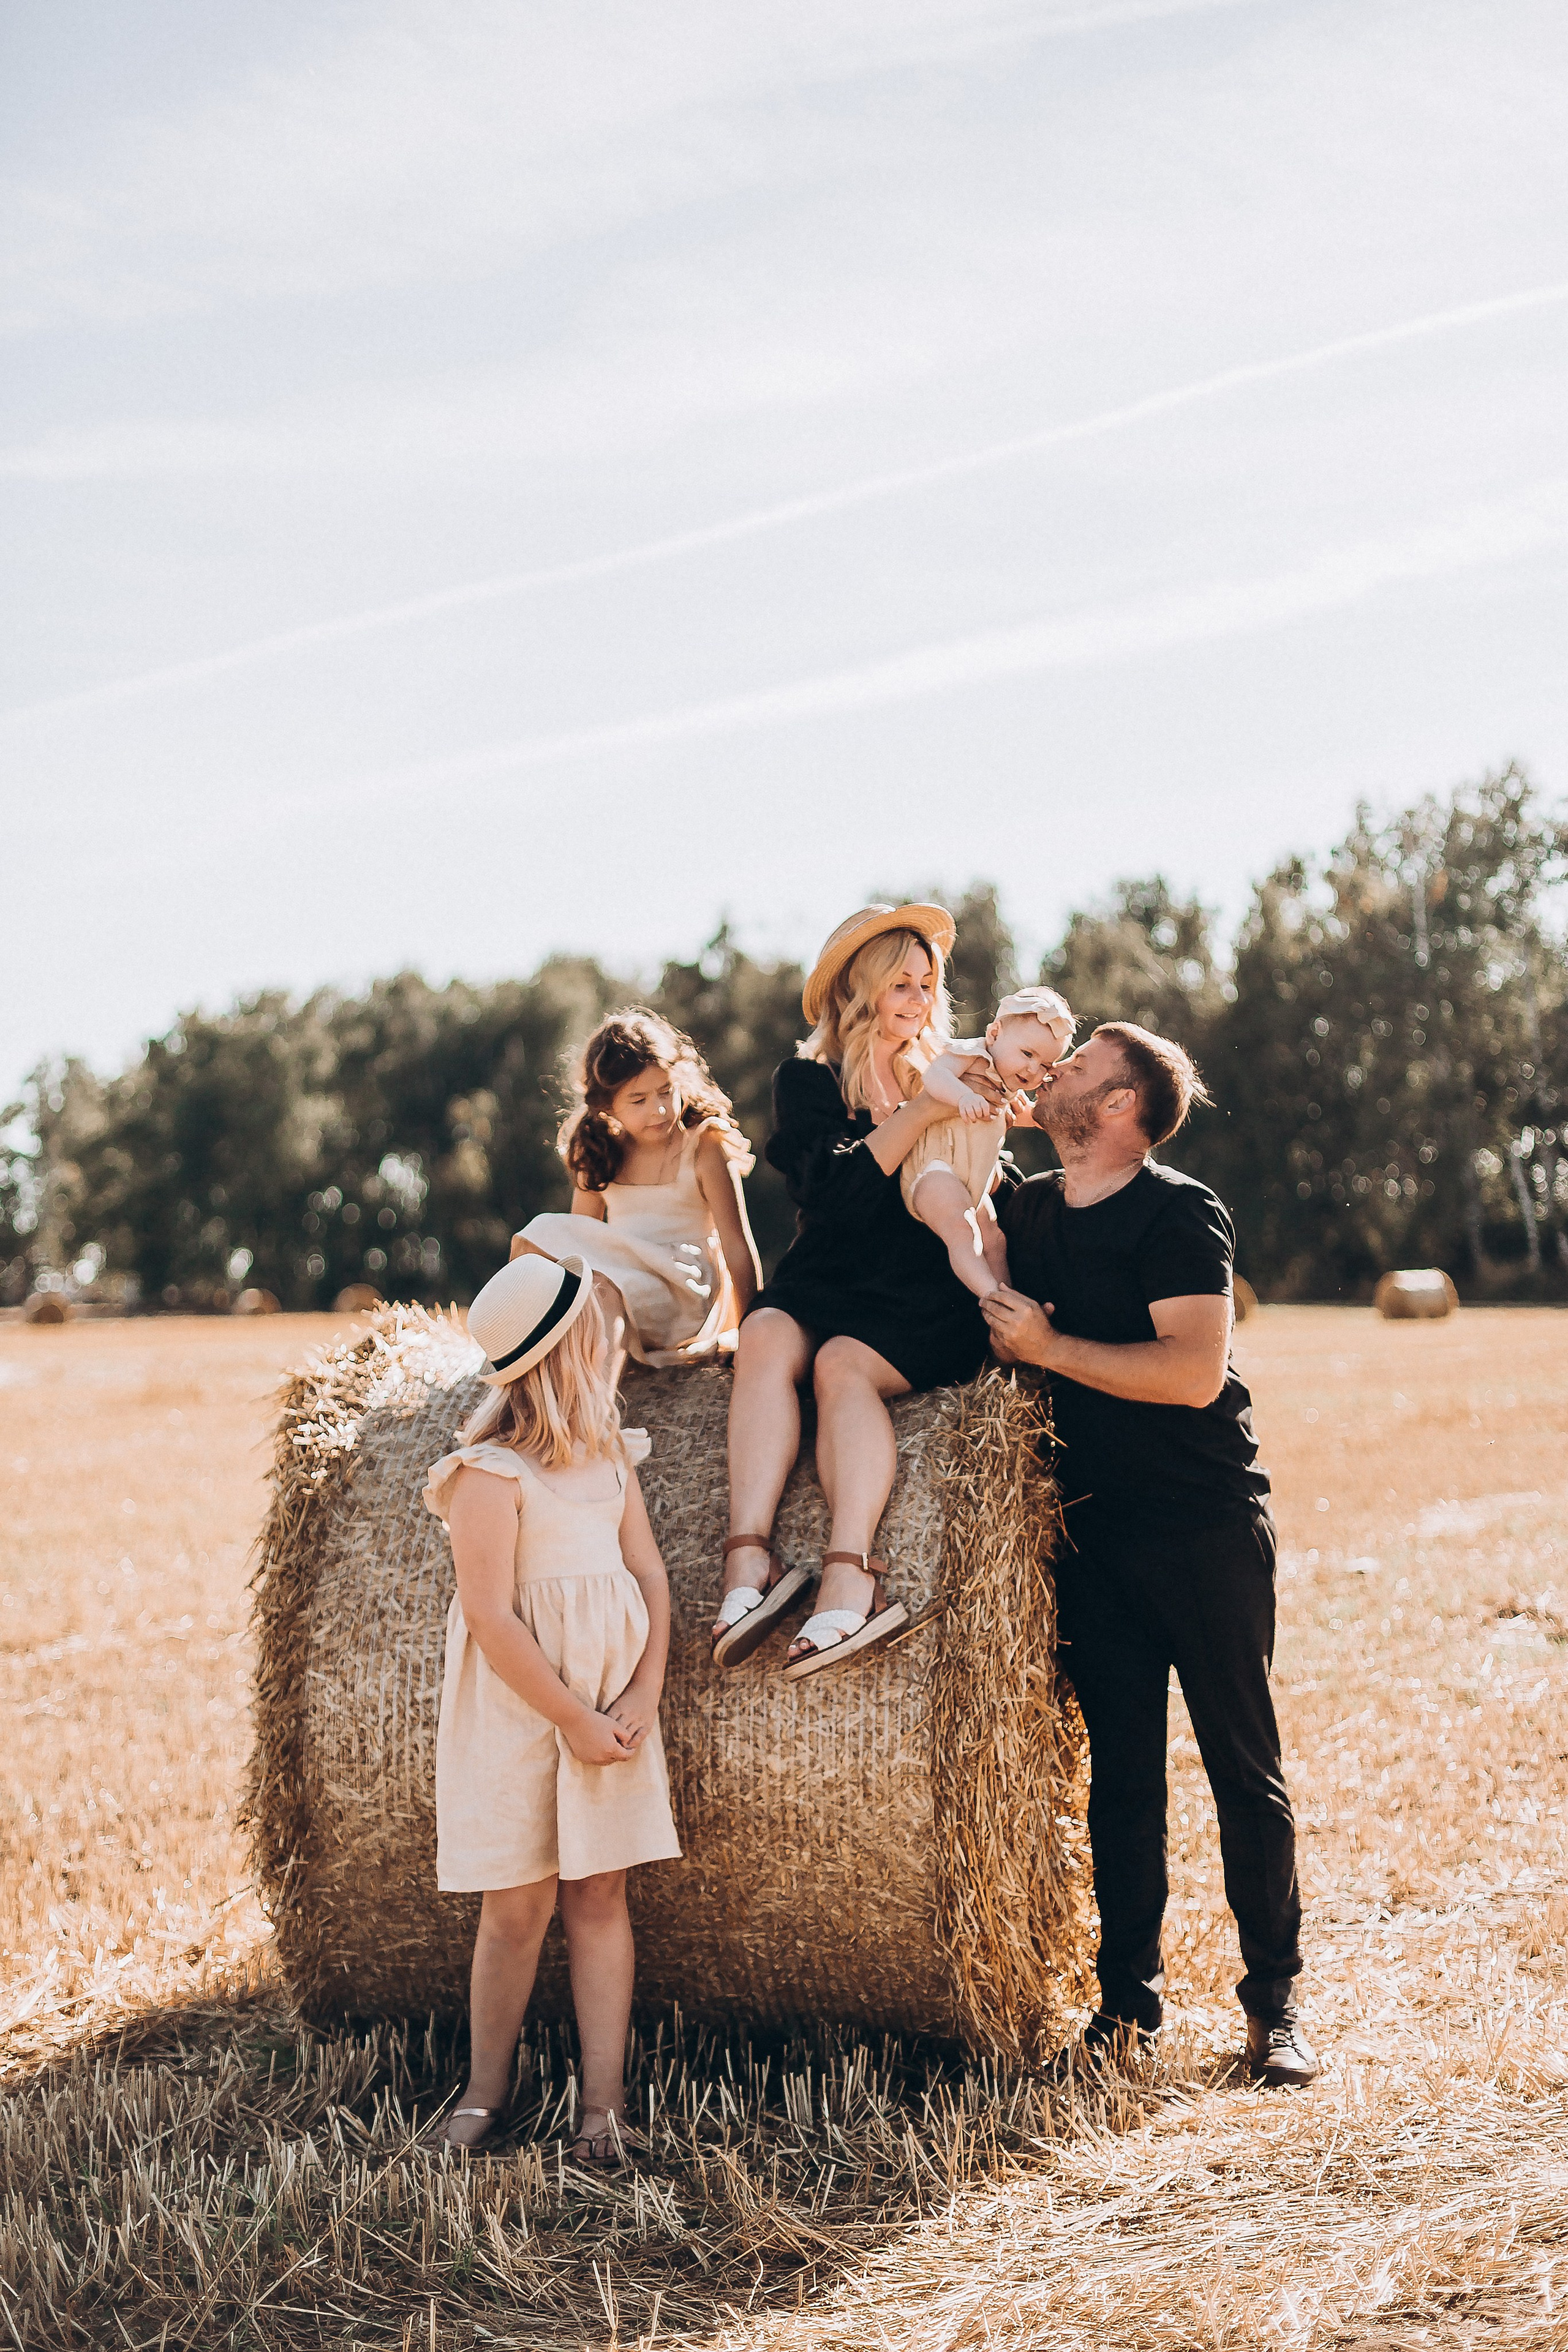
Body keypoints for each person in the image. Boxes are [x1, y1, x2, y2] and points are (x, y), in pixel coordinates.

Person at [982, 1022, 1317, 2089]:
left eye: (1079, 1065)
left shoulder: (1179, 1212)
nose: (1057, 1070)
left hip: (1206, 1526)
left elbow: (1191, 1373)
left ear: (1120, 1105)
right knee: (1121, 1782)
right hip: (1093, 1535)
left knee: (1241, 1771)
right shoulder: (1029, 1210)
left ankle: (1275, 2008)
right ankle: (1125, 2013)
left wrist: (1049, 1349)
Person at [421, 1251, 681, 2160]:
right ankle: (483, 2097)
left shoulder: (611, 1460)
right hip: (522, 1716)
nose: (610, 1340)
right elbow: (490, 1617)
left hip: (611, 1711)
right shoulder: (488, 1474)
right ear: (568, 1352)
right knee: (517, 1907)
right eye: (595, 1329)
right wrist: (570, 1716)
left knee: (600, 1895)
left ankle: (602, 2109)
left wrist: (643, 1691)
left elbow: (650, 1576)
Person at [714, 903, 995, 1678]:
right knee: (764, 1334)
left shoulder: (955, 1073)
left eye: (927, 984)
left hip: (919, 1289)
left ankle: (850, 1573)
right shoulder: (806, 1082)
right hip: (829, 1272)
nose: (918, 999)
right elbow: (831, 1195)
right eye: (900, 983)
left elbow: (984, 1175)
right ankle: (748, 1558)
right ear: (855, 990)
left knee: (840, 1363)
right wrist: (922, 1110)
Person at [514, 1009, 762, 1372]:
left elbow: (737, 1247)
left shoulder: (704, 1146)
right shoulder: (599, 1151)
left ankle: (591, 1400)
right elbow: (581, 1243)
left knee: (605, 1286)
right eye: (638, 1100)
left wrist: (750, 1335)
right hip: (623, 1280)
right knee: (548, 1242)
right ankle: (547, 1371)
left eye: (666, 1091)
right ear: (607, 1105)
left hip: (683, 1288)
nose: (658, 1109)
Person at [899, 985, 1075, 1300]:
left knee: (994, 1239)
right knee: (963, 1230)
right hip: (935, 1170)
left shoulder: (1008, 1088)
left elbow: (1027, 1116)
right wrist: (962, 1096)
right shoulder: (972, 1056)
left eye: (1045, 1066)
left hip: (972, 1182)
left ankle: (1009, 1299)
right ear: (994, 1034)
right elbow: (935, 1076)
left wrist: (1058, 1118)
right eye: (1028, 1054)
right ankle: (992, 1296)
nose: (1033, 1069)